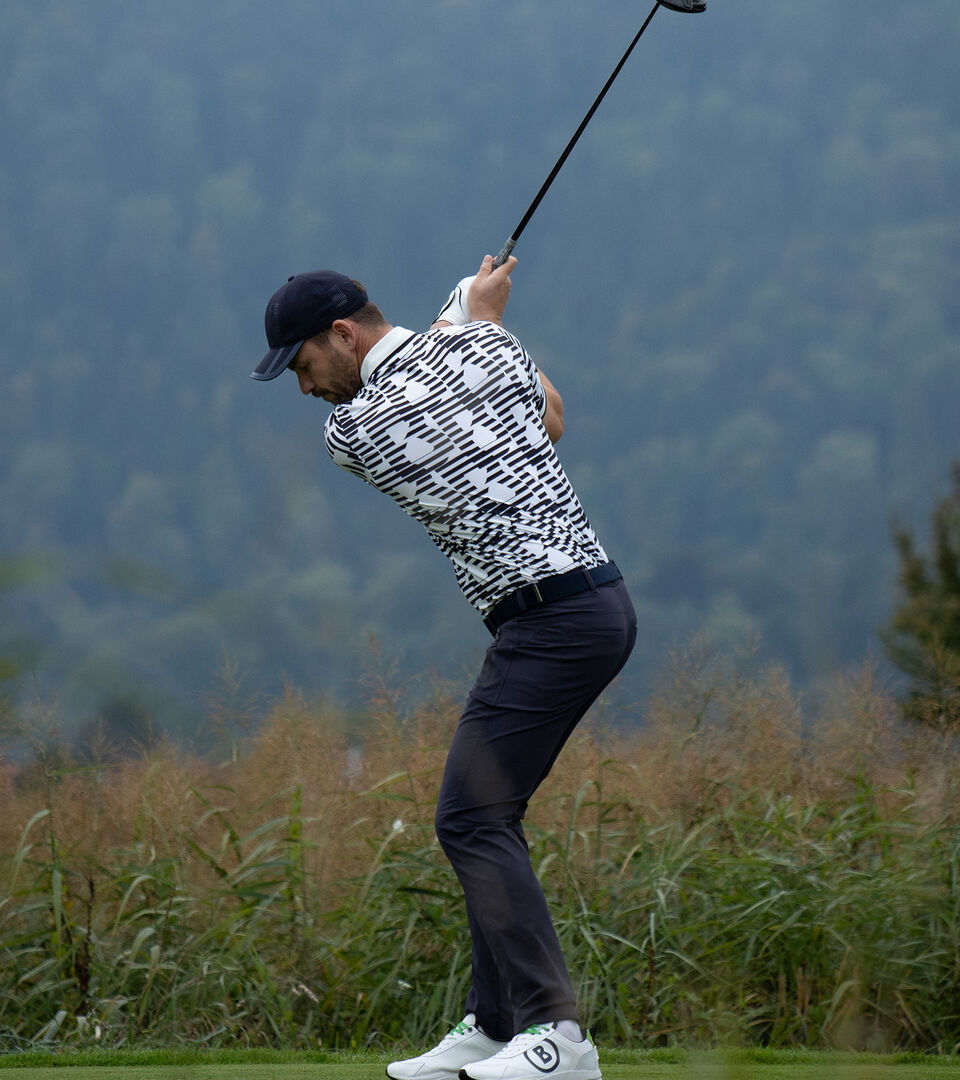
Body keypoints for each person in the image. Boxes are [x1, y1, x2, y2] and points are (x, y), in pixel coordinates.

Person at [251, 255, 637, 1080]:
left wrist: (462, 315)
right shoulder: (482, 351)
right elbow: (552, 417)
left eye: (305, 364)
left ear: (343, 334)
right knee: (483, 816)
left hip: (555, 621)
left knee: (469, 821)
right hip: (575, 612)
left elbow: (445, 387)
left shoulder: (353, 432)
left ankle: (556, 1038)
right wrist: (474, 315)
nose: (306, 389)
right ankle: (497, 1026)